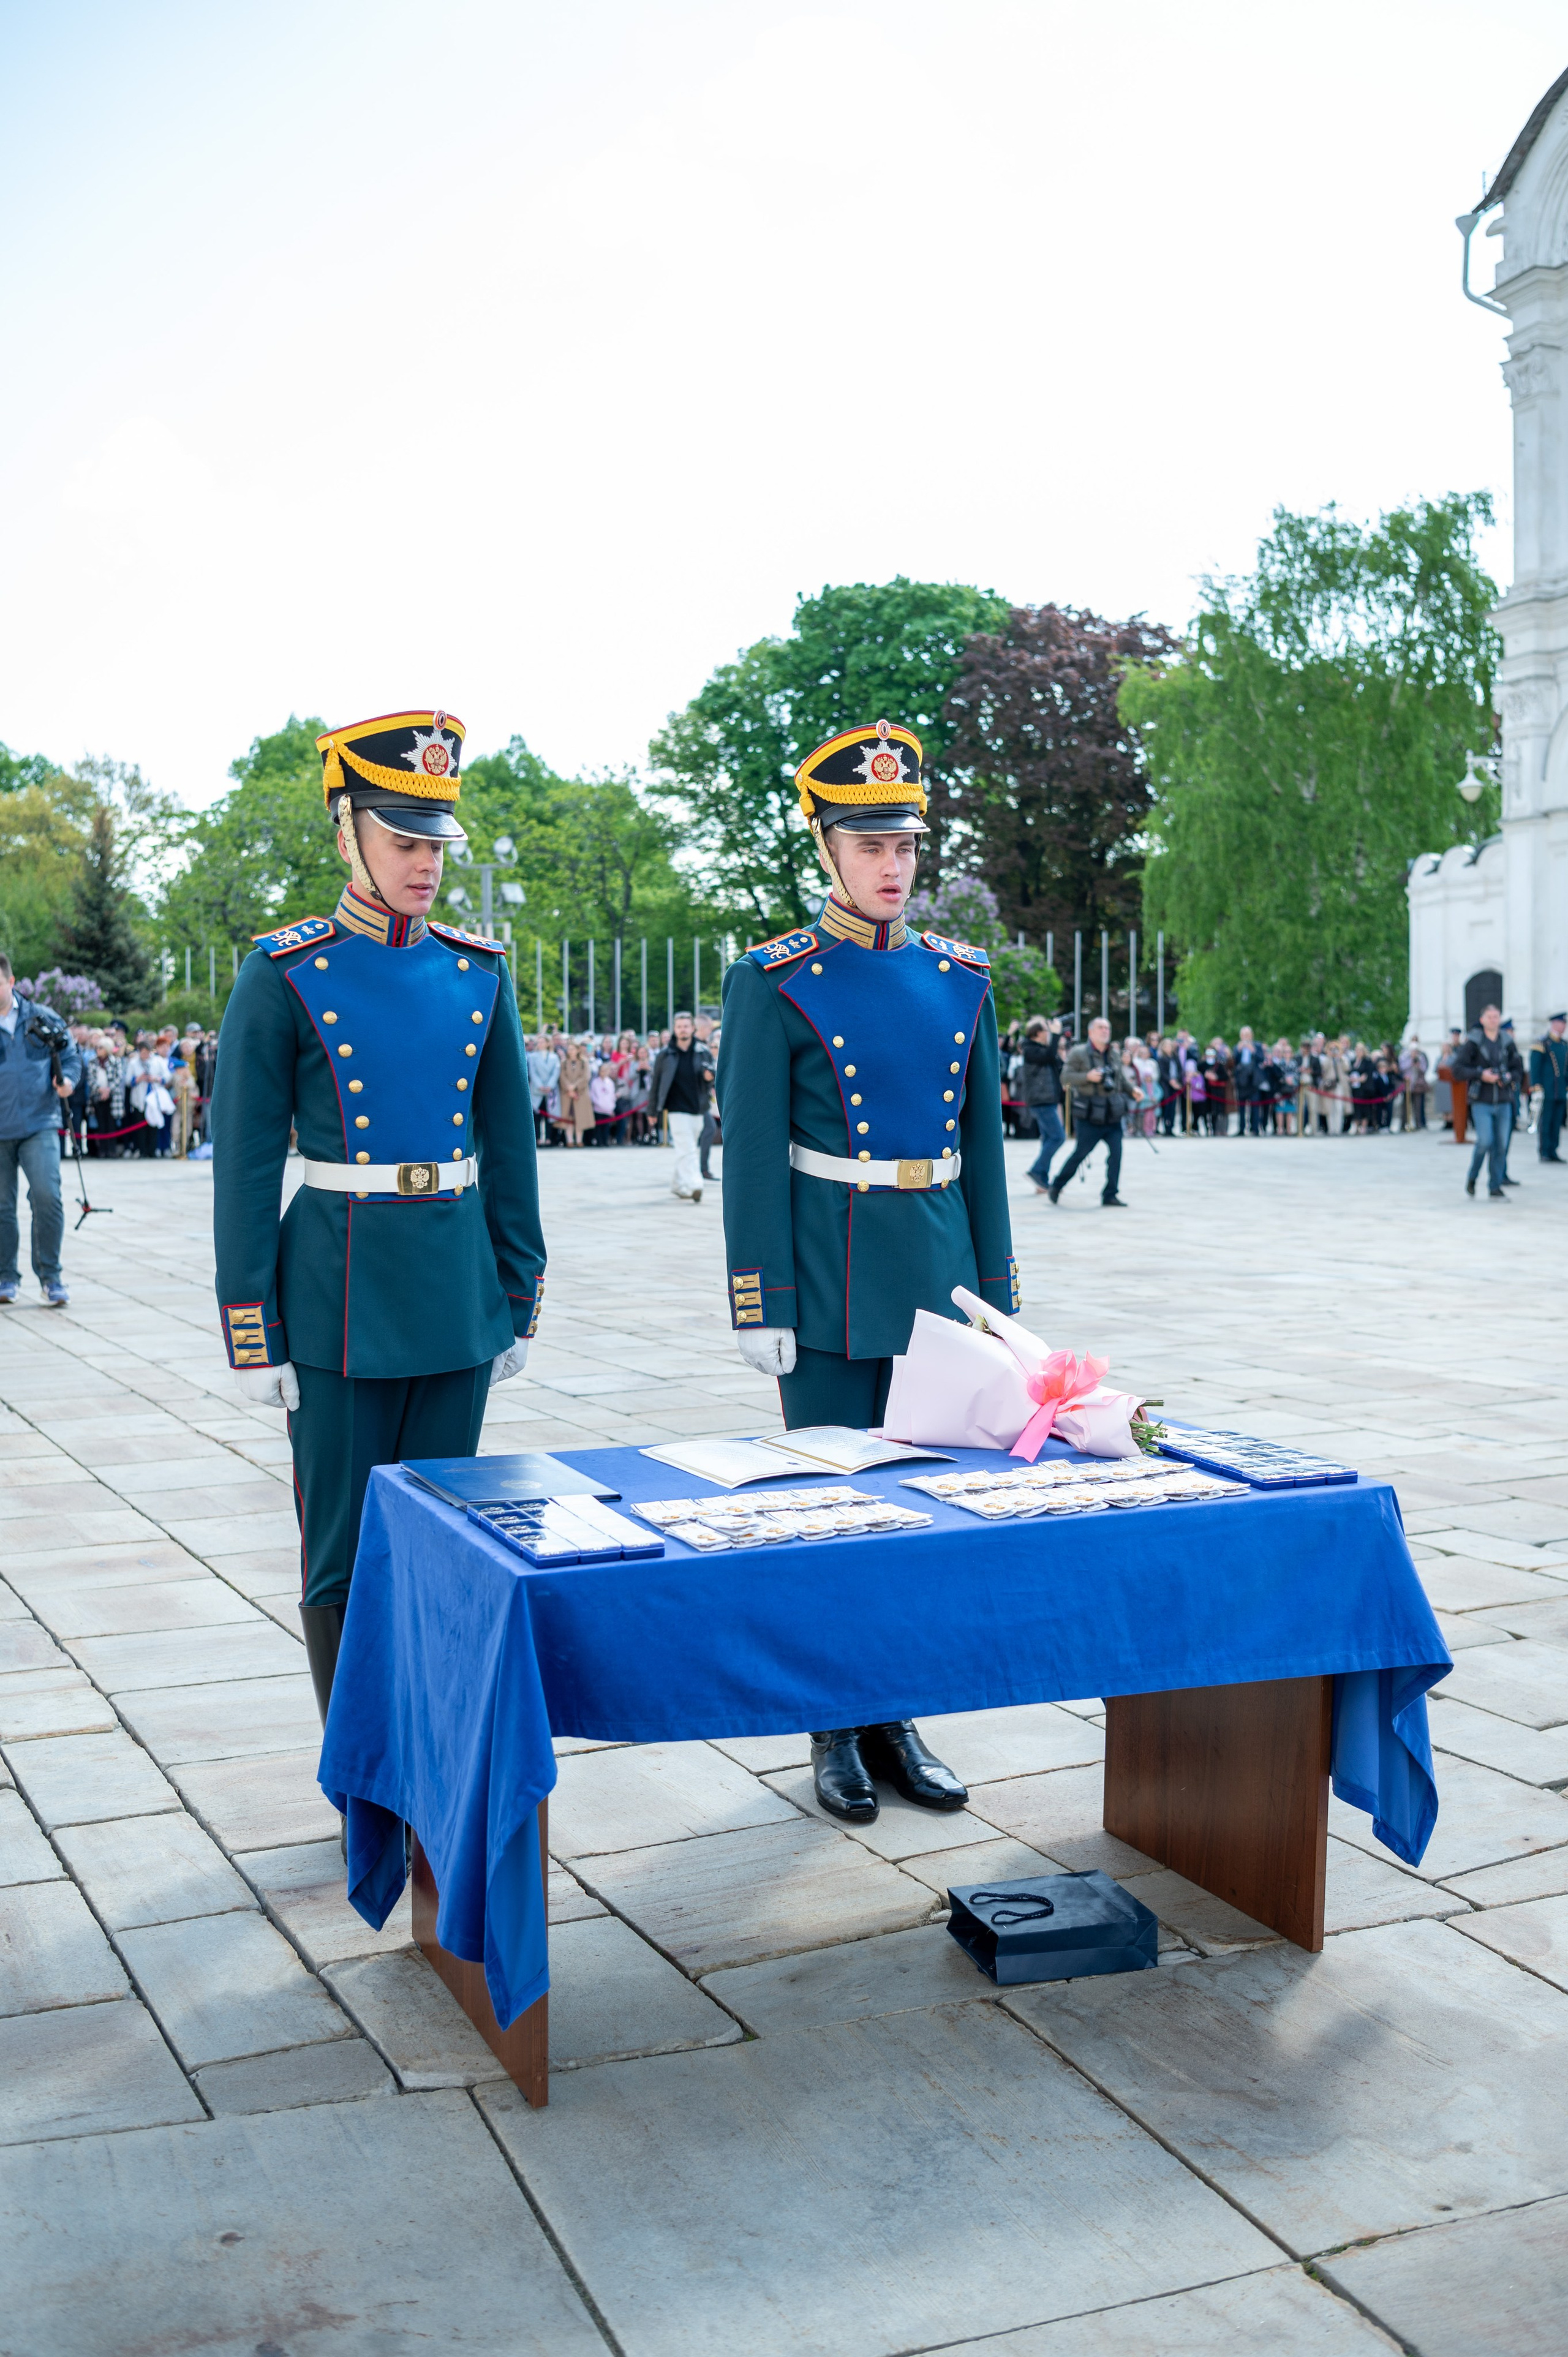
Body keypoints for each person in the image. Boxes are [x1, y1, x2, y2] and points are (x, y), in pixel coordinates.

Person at [209, 706, 545, 1733]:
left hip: (453, 1293)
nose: (427, 861)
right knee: (345, 1545)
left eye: (436, 840)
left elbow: (509, 1147)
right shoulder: (286, 970)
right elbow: (247, 1161)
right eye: (404, 838)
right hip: (336, 1298)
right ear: (346, 829)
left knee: (451, 1532)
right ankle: (361, 1765)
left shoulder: (475, 969)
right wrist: (250, 1319)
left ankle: (434, 1744)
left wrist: (518, 1289)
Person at [717, 717, 1016, 1826]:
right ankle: (833, 1727)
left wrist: (1000, 1301)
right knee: (831, 1512)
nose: (893, 868)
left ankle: (898, 1713)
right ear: (827, 851)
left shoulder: (961, 979)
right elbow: (751, 1150)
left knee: (922, 1512)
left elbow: (982, 1150)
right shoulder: (777, 980)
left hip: (934, 1277)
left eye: (905, 849)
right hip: (829, 1280)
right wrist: (760, 1295)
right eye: (870, 847)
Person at [0, 956, 81, 1307]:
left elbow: (73, 1057)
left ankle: (51, 1276)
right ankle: (5, 1277)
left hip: (39, 1124)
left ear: (11, 980)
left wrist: (69, 1082)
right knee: (2, 1207)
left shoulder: (42, 1019)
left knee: (48, 1197)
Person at [1050, 1016, 1131, 1204]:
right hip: (1089, 1114)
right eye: (1101, 1027)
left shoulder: (1114, 1054)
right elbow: (1065, 1078)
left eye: (1107, 1028)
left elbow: (1120, 1080)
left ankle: (1110, 1194)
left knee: (1117, 1154)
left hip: (1112, 1113)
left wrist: (1133, 1090)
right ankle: (1057, 1185)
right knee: (1080, 1154)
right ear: (1091, 1032)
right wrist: (1087, 1076)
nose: (1105, 1031)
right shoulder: (1079, 1053)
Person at [1453, 1004, 1525, 1201]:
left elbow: (1519, 1070)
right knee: (1485, 1141)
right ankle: (1473, 1176)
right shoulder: (1474, 1042)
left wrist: (1508, 1076)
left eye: (1496, 1017)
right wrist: (1480, 1075)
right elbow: (1457, 1070)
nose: (1494, 1020)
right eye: (1490, 1017)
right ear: (1483, 1019)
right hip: (1481, 1101)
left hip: (1503, 1100)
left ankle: (1495, 1186)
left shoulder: (1507, 1041)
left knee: (1501, 1145)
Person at [650, 1011, 714, 1201]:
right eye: (679, 1027)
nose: (683, 1030)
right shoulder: (665, 1055)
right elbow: (656, 1083)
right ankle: (695, 1183)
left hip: (698, 1108)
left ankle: (678, 1185)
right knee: (686, 1148)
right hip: (676, 1109)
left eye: (686, 1026)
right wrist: (652, 1110)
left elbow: (710, 1079)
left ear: (693, 1028)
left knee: (687, 1148)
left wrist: (709, 1078)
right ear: (675, 1030)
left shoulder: (703, 1051)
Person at [1019, 1015, 1065, 1191]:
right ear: (1038, 1033)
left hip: (1048, 1099)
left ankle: (1042, 1180)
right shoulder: (1029, 1048)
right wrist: (1055, 1037)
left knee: (1048, 1138)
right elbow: (1047, 1057)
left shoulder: (1042, 1048)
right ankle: (1037, 1171)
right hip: (1041, 1100)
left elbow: (1057, 1062)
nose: (1050, 1034)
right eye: (1047, 1031)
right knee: (1058, 1137)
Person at [1532, 1013, 1568, 1163]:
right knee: (1546, 1121)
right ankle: (1544, 1151)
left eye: (1565, 1024)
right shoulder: (1542, 1043)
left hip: (1560, 1090)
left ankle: (1553, 1150)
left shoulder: (1564, 1044)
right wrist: (1536, 1087)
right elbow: (1535, 1067)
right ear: (1554, 1024)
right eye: (1561, 1023)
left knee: (1557, 1121)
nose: (1564, 1026)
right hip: (1547, 1089)